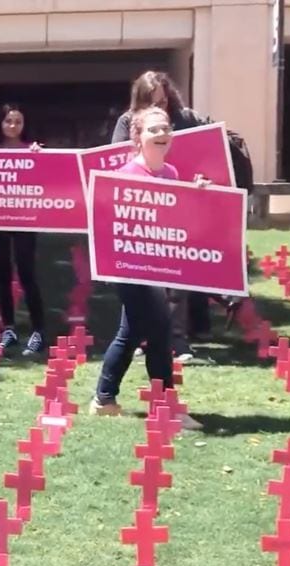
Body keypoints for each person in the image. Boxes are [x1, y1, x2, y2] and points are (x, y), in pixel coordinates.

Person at [89, 106, 203, 430]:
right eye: (153, 129)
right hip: (129, 269)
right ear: (137, 137)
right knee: (161, 330)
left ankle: (104, 400)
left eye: (165, 128)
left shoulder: (171, 175)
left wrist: (195, 194)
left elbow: (175, 222)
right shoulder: (125, 176)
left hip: (158, 270)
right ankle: (165, 408)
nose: (161, 134)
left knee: (130, 333)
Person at [111, 71, 213, 361]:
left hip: (171, 215)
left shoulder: (182, 121)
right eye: (151, 103)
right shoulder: (125, 123)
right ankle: (141, 342)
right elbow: (115, 166)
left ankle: (176, 340)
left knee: (176, 282)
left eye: (163, 102)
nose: (159, 108)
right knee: (143, 289)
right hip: (139, 218)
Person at [0, 104, 46, 356]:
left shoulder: (32, 150)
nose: (13, 125)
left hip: (24, 219)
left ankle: (38, 331)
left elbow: (47, 178)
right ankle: (8, 329)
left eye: (18, 121)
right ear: (0, 122)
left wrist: (40, 156)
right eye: (8, 121)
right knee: (2, 273)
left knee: (27, 273)